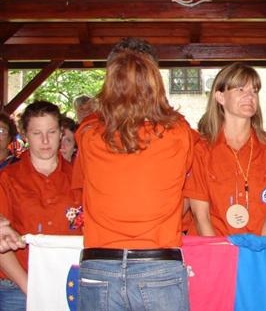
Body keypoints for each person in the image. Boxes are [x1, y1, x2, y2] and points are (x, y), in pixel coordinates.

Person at [72, 38, 196, 311]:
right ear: (156, 84)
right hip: (158, 265)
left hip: (100, 264)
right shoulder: (178, 134)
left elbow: (97, 120)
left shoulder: (88, 135)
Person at [184, 63, 266, 237]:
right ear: (220, 97)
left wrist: (262, 250)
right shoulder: (201, 149)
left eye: (254, 91)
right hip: (213, 246)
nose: (250, 96)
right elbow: (201, 217)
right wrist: (219, 252)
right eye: (240, 89)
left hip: (259, 247)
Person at [0, 100, 82, 310]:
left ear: (61, 133)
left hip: (70, 286)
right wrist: (30, 287)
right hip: (18, 287)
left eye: (51, 132)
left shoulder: (80, 178)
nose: (45, 140)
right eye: (37, 133)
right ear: (24, 135)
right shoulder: (7, 179)